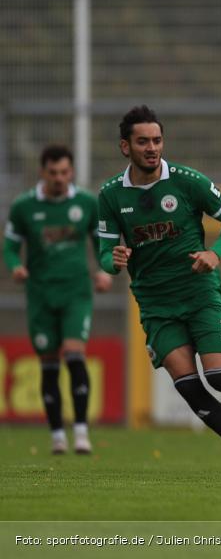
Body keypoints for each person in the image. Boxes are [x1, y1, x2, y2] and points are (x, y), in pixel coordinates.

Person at [97, 105, 221, 475]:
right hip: (155, 302)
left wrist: (215, 253)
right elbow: (104, 254)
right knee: (187, 383)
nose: (152, 148)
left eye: (157, 140)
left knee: (220, 379)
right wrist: (114, 259)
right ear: (126, 147)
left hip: (199, 291)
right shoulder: (110, 195)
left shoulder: (188, 182)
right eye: (143, 141)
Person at [3, 144, 113, 454]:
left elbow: (100, 242)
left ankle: (80, 433)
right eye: (53, 173)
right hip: (40, 294)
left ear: (72, 172)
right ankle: (56, 437)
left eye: (65, 172)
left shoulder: (86, 203)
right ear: (43, 173)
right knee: (48, 365)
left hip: (76, 292)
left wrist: (105, 271)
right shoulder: (24, 206)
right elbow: (10, 247)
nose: (59, 178)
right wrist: (16, 267)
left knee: (75, 354)